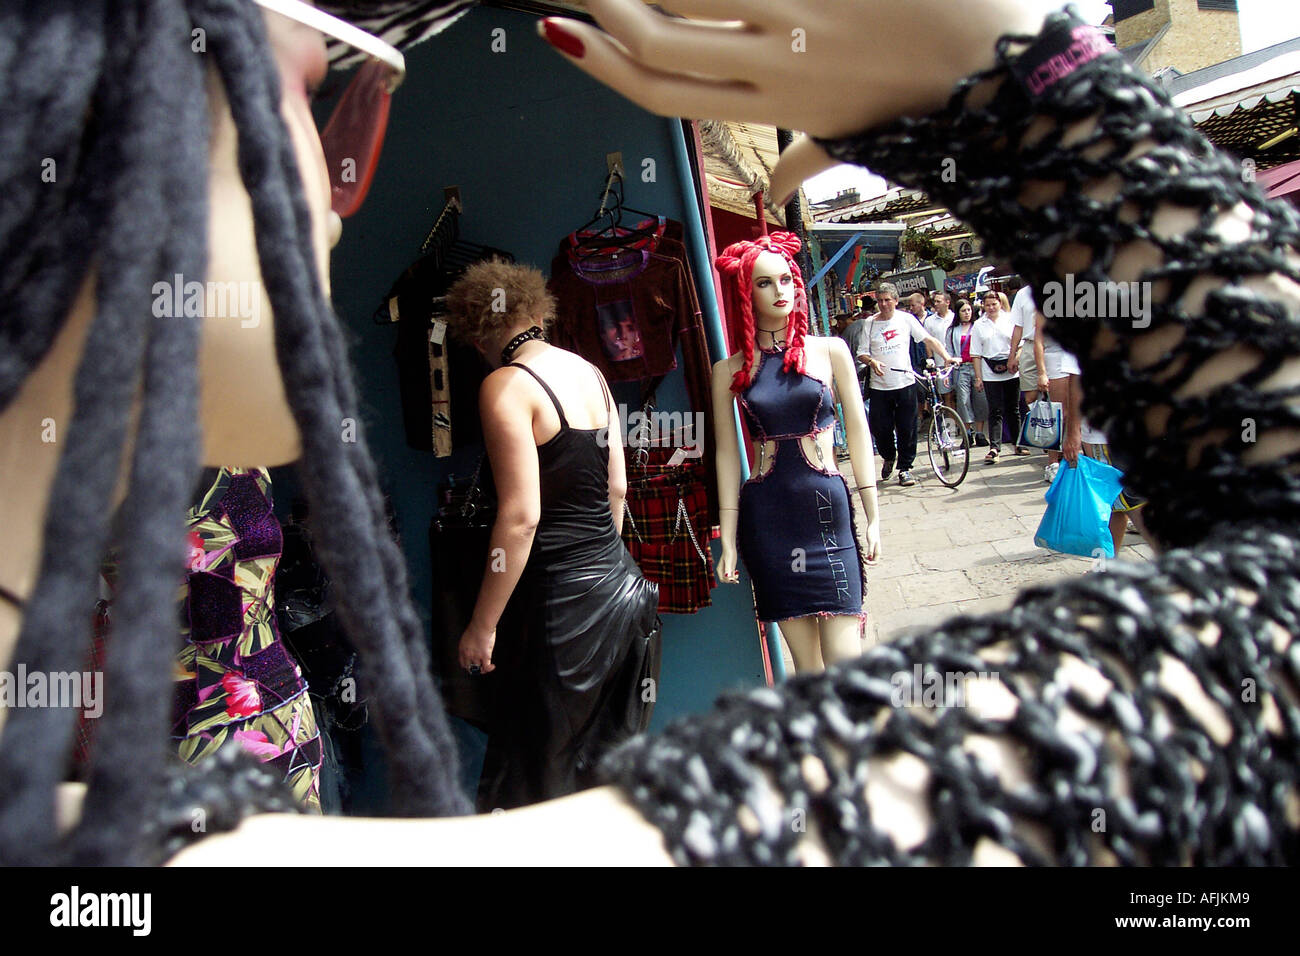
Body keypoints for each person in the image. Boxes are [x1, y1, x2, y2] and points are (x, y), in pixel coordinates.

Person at [4, 0, 1298, 869]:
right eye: (318, 82)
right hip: (623, 585)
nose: (351, 157)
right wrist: (1028, 91)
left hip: (603, 587)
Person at [442, 260, 660, 809]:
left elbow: (521, 517)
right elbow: (617, 491)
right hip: (624, 595)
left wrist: (482, 626)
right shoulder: (591, 373)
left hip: (561, 613)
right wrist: (601, 569)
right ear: (539, 310)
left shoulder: (504, 387)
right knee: (606, 780)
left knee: (537, 784)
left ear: (475, 334)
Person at [711, 233, 881, 672]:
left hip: (827, 511)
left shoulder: (830, 351)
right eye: (765, 283)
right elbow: (728, 454)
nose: (780, 290)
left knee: (846, 662)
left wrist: (873, 511)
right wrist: (727, 539)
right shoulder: (730, 370)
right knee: (808, 669)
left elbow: (858, 430)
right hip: (769, 517)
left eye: (786, 279)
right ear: (746, 292)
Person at [858, 283, 957, 487]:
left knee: (907, 428)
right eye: (880, 301)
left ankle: (905, 468)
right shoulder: (869, 323)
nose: (884, 305)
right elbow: (862, 352)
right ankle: (888, 456)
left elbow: (928, 340)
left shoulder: (906, 319)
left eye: (888, 300)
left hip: (905, 382)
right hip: (880, 387)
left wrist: (947, 357)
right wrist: (872, 361)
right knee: (881, 428)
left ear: (895, 301)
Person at [970, 288, 1020, 463]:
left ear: (1000, 304)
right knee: (995, 409)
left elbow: (1019, 343)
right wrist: (978, 377)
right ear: (983, 306)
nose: (991, 308)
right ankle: (995, 447)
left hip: (1011, 368)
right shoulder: (978, 325)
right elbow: (975, 353)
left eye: (994, 304)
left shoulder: (1010, 320)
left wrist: (1014, 359)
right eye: (987, 305)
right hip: (989, 370)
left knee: (1013, 408)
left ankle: (1018, 443)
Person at [941, 298, 989, 445]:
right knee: (963, 400)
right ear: (958, 313)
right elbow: (948, 351)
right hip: (960, 368)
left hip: (977, 367)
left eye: (969, 310)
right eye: (963, 311)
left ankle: (980, 433)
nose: (967, 313)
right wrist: (947, 371)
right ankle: (968, 432)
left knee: (980, 399)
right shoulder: (952, 330)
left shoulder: (978, 326)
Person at [1007, 284, 1047, 455]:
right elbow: (1018, 327)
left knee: (1056, 396)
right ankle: (1046, 432)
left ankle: (1055, 437)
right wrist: (1012, 353)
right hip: (1030, 345)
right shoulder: (1023, 294)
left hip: (1052, 345)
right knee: (1030, 396)